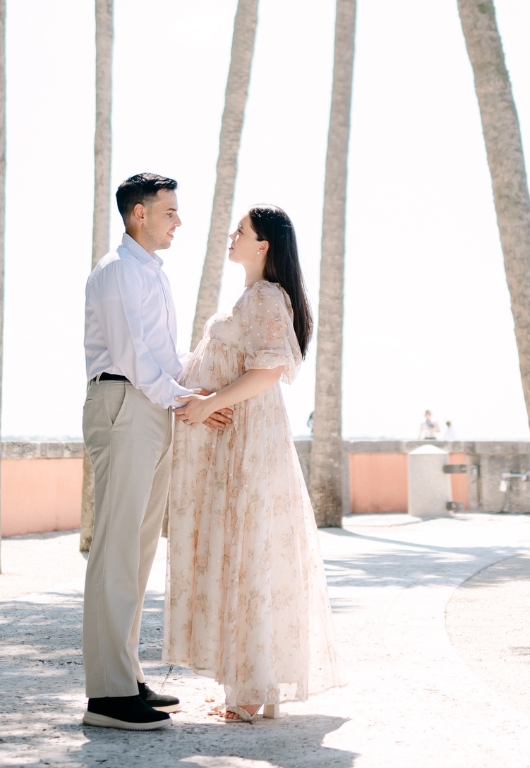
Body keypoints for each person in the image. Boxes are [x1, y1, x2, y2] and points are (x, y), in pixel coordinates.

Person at [165, 204, 343, 722]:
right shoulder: (254, 296)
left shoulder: (265, 296)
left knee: (247, 555)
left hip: (247, 441)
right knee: (249, 556)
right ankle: (252, 687)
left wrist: (209, 404)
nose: (231, 236)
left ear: (263, 244)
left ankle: (247, 694)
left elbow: (270, 369)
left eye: (239, 231)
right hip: (241, 439)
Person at [80, 171, 228, 733]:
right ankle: (107, 697)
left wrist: (189, 392)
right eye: (169, 211)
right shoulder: (118, 271)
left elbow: (161, 355)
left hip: (148, 407)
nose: (178, 221)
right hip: (124, 402)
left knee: (137, 550)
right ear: (139, 213)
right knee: (117, 549)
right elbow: (131, 354)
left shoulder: (147, 273)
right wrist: (185, 397)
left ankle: (124, 677)